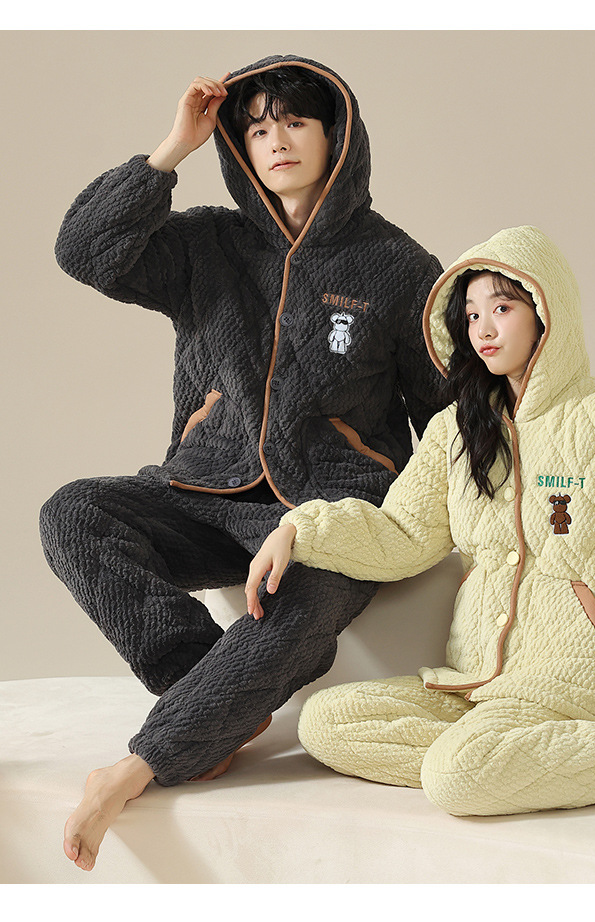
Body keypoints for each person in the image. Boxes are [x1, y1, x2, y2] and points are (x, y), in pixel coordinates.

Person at [40, 54, 444, 871]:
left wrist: (417, 524)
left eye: (294, 121)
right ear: (239, 148)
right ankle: (207, 688)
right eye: (257, 129)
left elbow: (444, 419)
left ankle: (135, 767)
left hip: (325, 513)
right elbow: (83, 250)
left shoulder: (400, 268)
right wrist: (170, 151)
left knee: (301, 606)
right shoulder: (206, 244)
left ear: (337, 135)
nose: (277, 140)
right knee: (73, 511)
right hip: (208, 487)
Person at [247, 225, 595, 815]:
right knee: (326, 720)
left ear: (546, 313)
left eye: (502, 308)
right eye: (472, 314)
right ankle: (509, 761)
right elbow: (403, 534)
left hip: (573, 688)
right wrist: (299, 530)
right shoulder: (455, 430)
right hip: (474, 684)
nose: (483, 329)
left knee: (456, 777)